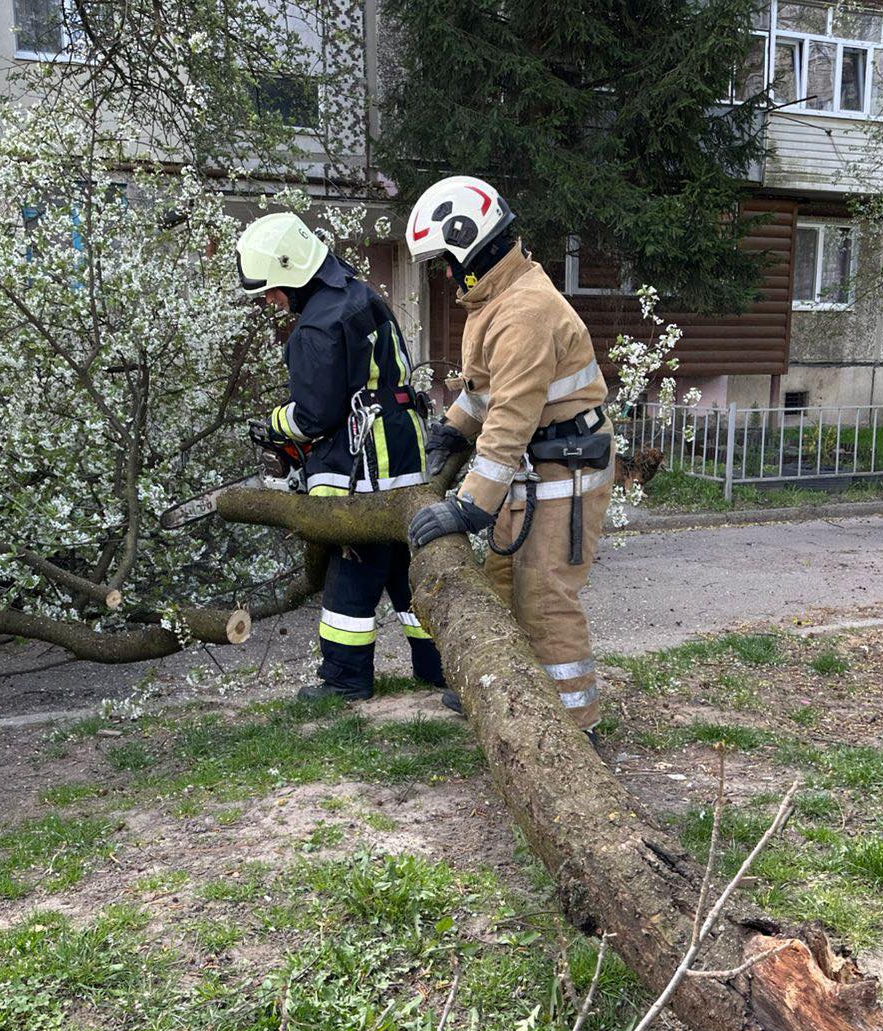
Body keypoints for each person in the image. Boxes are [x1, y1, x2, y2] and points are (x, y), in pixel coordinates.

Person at [403, 177, 614, 737]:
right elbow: (485, 392)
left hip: (564, 466)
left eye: (446, 261)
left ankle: (575, 728)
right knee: (499, 578)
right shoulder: (498, 297)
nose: (446, 274)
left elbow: (510, 420)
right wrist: (452, 430)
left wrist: (468, 507)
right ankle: (500, 685)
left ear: (470, 247)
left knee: (543, 594)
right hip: (538, 463)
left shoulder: (524, 311)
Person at [235, 211, 444, 701]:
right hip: (404, 455)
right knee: (403, 566)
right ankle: (438, 664)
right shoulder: (361, 296)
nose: (269, 300)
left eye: (270, 290)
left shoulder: (317, 327)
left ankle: (345, 679)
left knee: (351, 569)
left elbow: (314, 416)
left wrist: (274, 425)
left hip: (360, 468)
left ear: (291, 271)